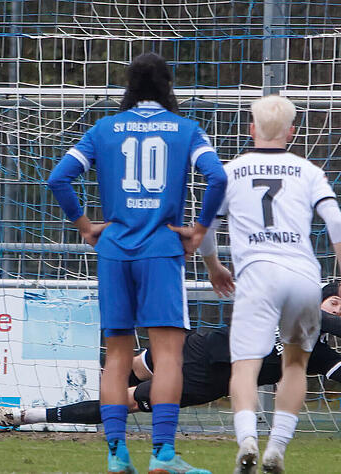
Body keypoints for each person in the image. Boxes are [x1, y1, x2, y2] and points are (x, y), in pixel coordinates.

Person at [47, 52, 227, 474]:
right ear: (168, 87)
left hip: (113, 251)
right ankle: (163, 455)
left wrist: (85, 225)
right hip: (161, 252)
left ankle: (116, 455)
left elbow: (58, 178)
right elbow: (217, 177)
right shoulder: (186, 130)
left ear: (129, 87)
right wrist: (199, 230)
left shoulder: (103, 129)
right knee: (167, 357)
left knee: (116, 357)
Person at [174, 95, 341, 474]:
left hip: (258, 278)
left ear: (252, 128)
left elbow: (205, 228)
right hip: (303, 277)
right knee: (295, 364)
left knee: (245, 365)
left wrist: (213, 266)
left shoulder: (230, 172)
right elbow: (337, 224)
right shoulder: (308, 170)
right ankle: (277, 447)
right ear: (291, 131)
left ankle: (247, 440)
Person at [0, 283, 341, 427]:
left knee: (125, 402)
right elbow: (320, 317)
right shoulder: (298, 309)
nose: (335, 310)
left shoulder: (315, 353)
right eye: (334, 302)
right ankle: (64, 374)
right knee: (126, 361)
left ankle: (28, 415)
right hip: (200, 344)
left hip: (204, 382)